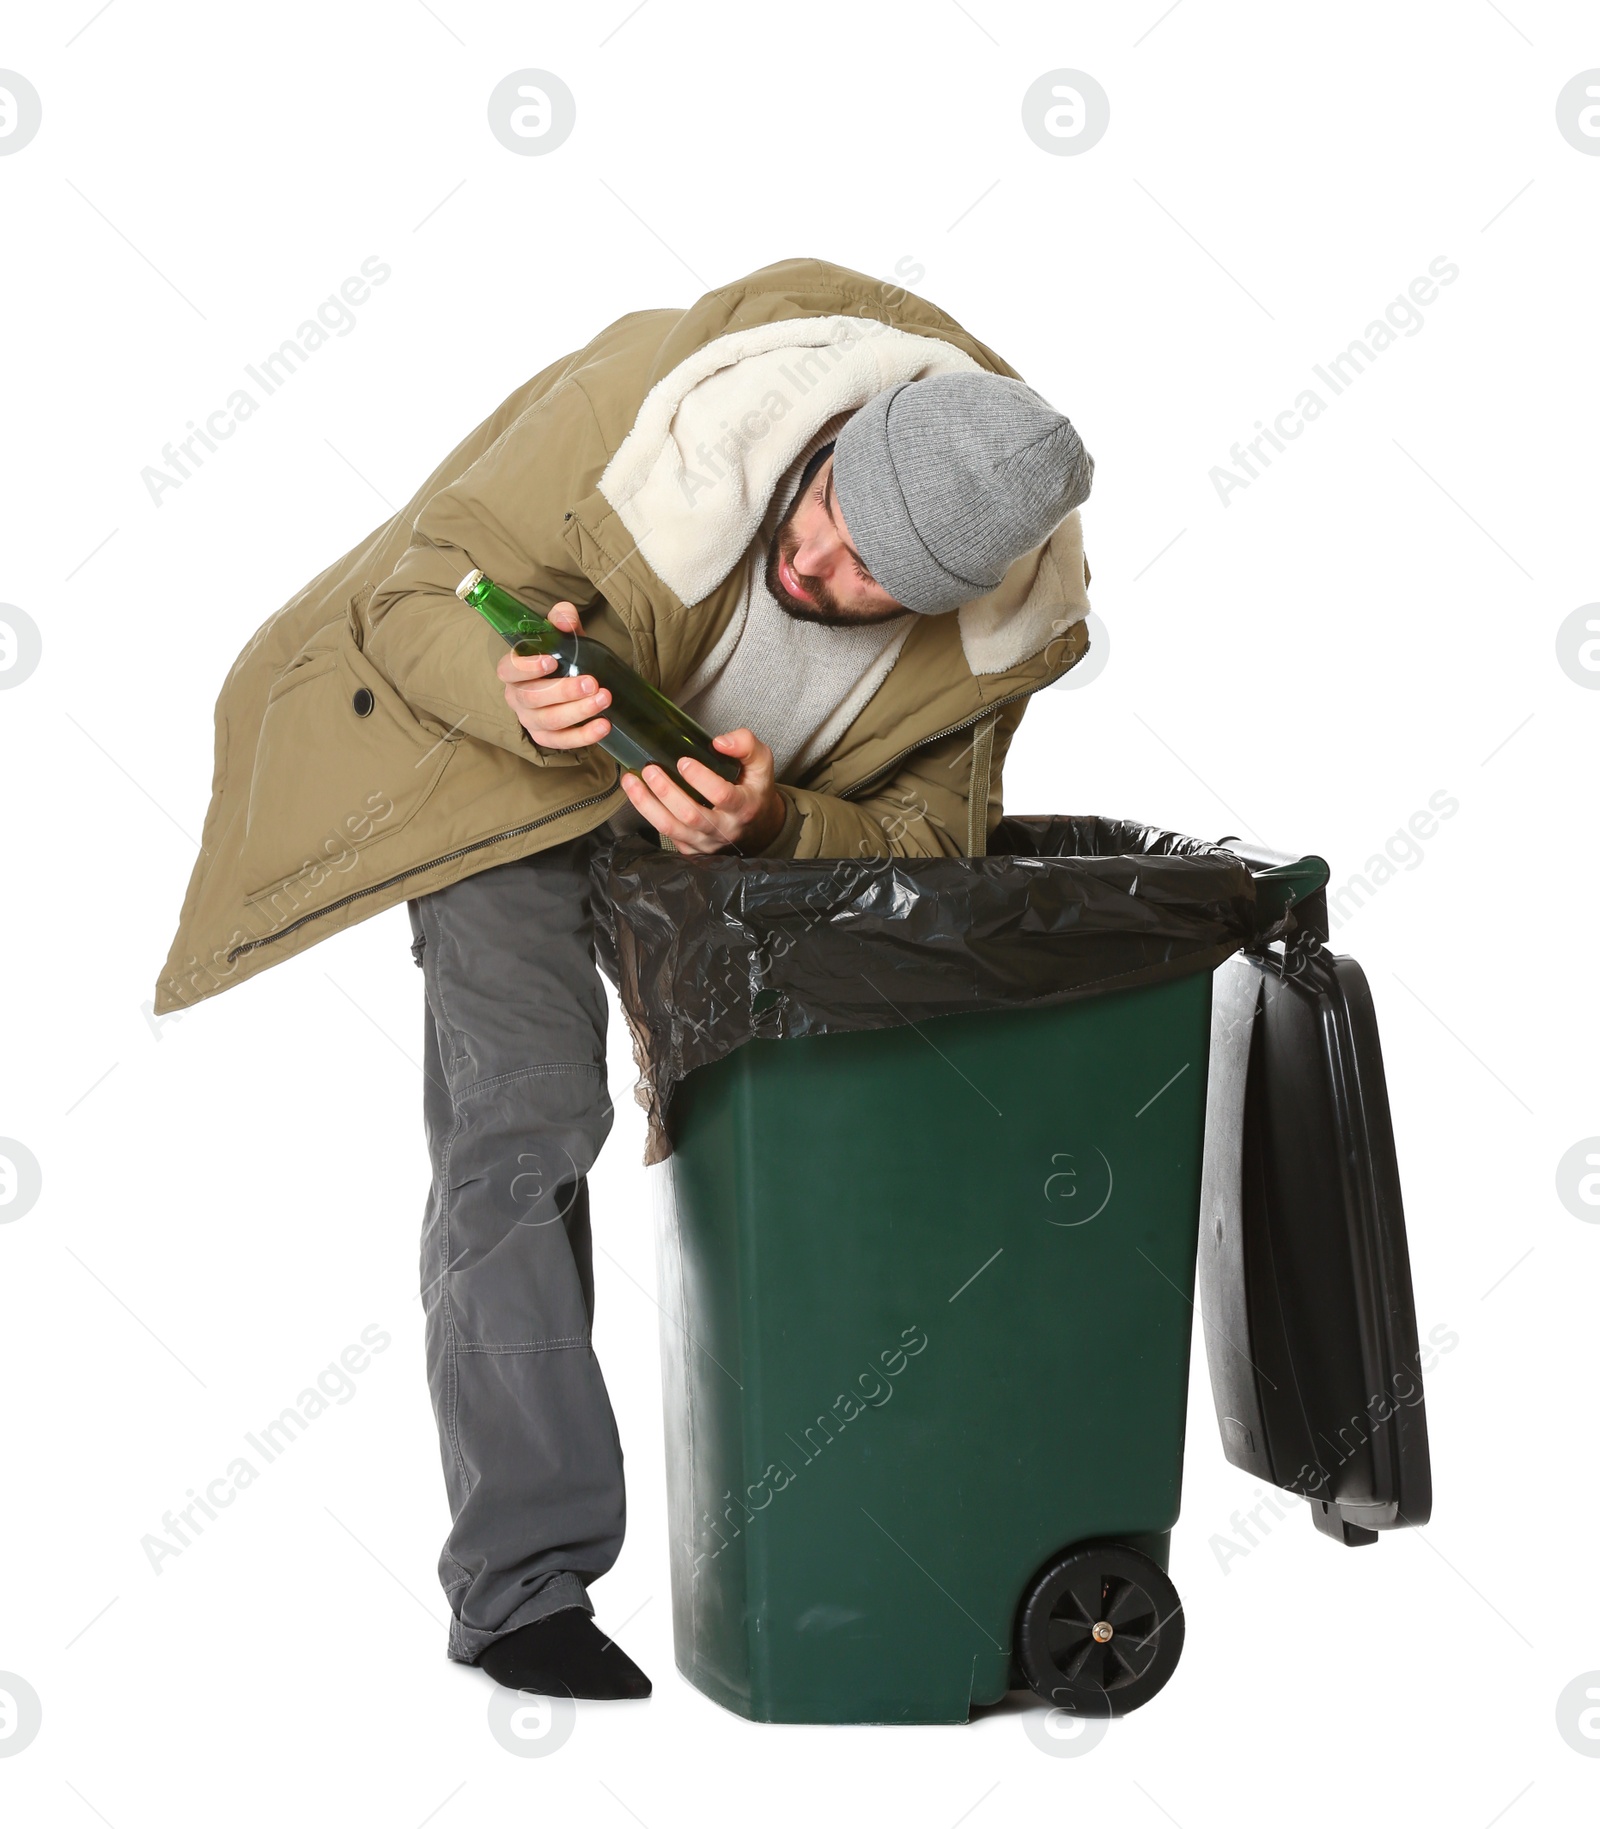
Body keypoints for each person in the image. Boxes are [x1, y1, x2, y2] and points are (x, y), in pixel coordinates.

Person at [153, 257, 1095, 1700]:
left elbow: (931, 842)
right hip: (503, 787)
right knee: (523, 1127)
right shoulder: (656, 402)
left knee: (808, 1143)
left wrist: (775, 825)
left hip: (723, 849)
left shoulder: (987, 643)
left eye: (869, 582)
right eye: (832, 510)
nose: (819, 567)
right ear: (843, 431)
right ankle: (524, 1590)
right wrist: (512, 691)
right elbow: (414, 591)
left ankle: (854, 1543)